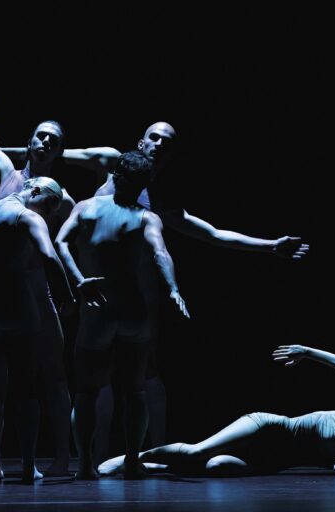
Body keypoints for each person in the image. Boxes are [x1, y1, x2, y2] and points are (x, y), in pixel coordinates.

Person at [3, 120, 310, 459]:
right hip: (94, 288)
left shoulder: (160, 204)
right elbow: (49, 152)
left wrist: (269, 246)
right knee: (95, 378)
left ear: (172, 153)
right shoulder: (111, 162)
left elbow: (213, 233)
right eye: (154, 137)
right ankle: (94, 456)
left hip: (135, 294)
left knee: (142, 374)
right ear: (141, 140)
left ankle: (155, 450)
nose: (159, 143)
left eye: (167, 140)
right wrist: (1, 154)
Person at [0, 48, 90, 475]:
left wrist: (73, 289)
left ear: (59, 151)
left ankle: (59, 458)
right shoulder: (3, 173)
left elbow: (64, 245)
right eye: (41, 135)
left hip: (36, 290)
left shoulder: (60, 198)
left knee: (51, 373)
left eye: (54, 140)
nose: (46, 141)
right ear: (31, 140)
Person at [55, 151, 190, 480]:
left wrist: (78, 281)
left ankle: (88, 464)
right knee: (134, 390)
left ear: (116, 177)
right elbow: (160, 252)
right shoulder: (145, 217)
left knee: (88, 391)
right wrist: (172, 288)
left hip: (100, 309)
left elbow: (60, 241)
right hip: (131, 311)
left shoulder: (87, 207)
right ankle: (130, 460)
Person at [98, 344, 335, 477]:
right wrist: (308, 352)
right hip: (268, 428)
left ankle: (155, 469)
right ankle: (134, 457)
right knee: (197, 453)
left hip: (273, 460)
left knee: (216, 467)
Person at [0, 176, 76, 482]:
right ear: (34, 190)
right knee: (25, 387)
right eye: (50, 204)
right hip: (15, 304)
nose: (50, 212)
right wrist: (67, 297)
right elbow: (48, 255)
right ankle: (29, 464)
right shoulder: (27, 216)